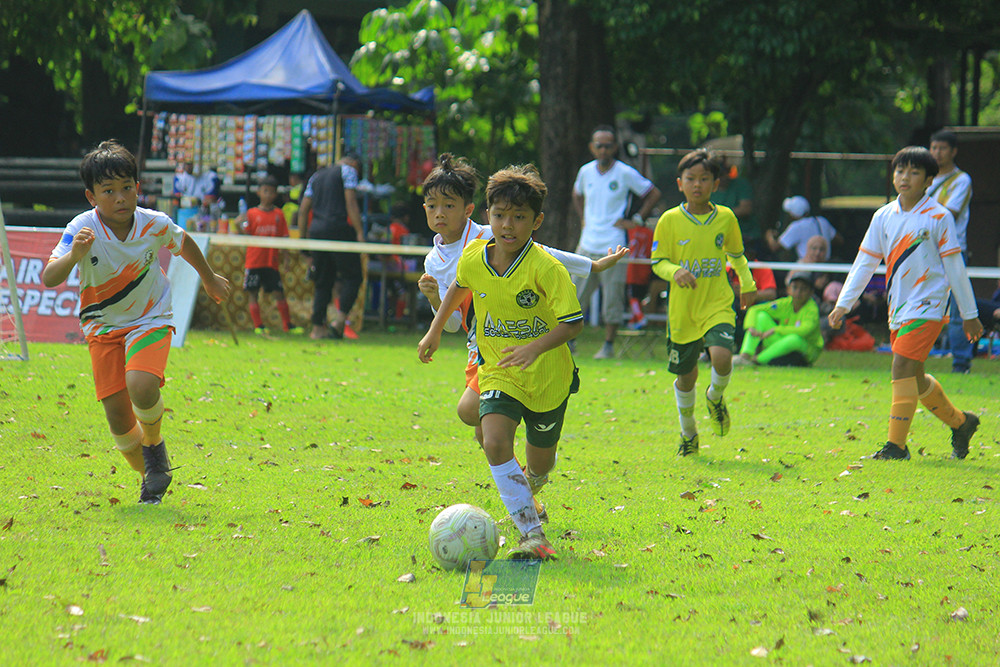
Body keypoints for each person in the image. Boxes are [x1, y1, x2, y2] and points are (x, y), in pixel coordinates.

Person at [417, 154, 626, 521]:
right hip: (484, 346)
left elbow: (547, 254)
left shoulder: (489, 235)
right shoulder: (435, 261)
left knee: (495, 432)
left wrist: (590, 264)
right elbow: (453, 317)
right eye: (432, 205)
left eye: (448, 205)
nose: (439, 213)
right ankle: (528, 516)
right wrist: (435, 309)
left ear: (468, 211)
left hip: (536, 355)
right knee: (481, 423)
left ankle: (527, 480)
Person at [41, 140, 231, 504]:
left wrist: (208, 277)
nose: (120, 197)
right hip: (102, 329)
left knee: (141, 384)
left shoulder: (153, 223)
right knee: (119, 425)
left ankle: (155, 447)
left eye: (127, 187)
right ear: (91, 196)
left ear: (138, 189)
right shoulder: (81, 228)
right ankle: (151, 475)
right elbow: (50, 276)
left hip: (150, 318)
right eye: (108, 191)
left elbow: (183, 241)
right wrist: (75, 255)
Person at [829, 146, 982, 461]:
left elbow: (955, 267)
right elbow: (864, 263)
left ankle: (896, 447)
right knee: (914, 376)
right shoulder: (883, 216)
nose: (905, 177)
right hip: (898, 307)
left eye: (914, 172)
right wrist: (843, 304)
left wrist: (969, 314)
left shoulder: (938, 216)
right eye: (900, 170)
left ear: (928, 180)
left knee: (900, 365)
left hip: (929, 306)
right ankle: (961, 423)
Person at [651, 149, 757, 456]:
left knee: (722, 357)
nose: (697, 184)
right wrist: (676, 271)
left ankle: (715, 396)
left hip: (718, 302)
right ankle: (689, 432)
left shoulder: (725, 217)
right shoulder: (669, 220)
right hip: (683, 311)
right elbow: (658, 262)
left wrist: (747, 284)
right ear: (680, 183)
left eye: (704, 179)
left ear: (715, 183)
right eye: (691, 179)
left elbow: (737, 256)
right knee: (686, 378)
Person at [572, 125, 661, 359]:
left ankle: (608, 346)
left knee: (612, 297)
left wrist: (637, 219)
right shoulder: (585, 172)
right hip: (587, 244)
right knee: (573, 296)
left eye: (608, 145)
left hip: (614, 245)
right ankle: (568, 342)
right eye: (599, 145)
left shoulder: (624, 172)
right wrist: (583, 218)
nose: (603, 149)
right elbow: (576, 194)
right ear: (592, 147)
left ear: (615, 147)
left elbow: (652, 193)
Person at [297, 152, 365, 340]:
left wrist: (303, 240)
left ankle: (317, 328)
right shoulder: (348, 171)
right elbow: (350, 201)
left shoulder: (316, 176)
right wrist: (359, 232)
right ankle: (340, 320)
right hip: (339, 229)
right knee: (353, 275)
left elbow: (303, 210)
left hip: (317, 231)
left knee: (322, 280)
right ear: (353, 164)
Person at [928, 129, 975, 373]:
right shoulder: (922, 177)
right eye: (933, 147)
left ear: (953, 151)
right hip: (925, 251)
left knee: (958, 310)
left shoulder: (961, 180)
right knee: (919, 304)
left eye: (942, 148)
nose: (936, 153)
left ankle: (961, 363)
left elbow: (949, 213)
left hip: (953, 251)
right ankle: (913, 357)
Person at [238, 175, 302, 335]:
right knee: (253, 293)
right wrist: (239, 224)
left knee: (279, 293)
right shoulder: (251, 214)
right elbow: (244, 231)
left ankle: (287, 324)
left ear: (275, 195)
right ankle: (258, 326)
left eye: (271, 192)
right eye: (265, 191)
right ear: (259, 192)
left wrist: (286, 259)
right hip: (254, 261)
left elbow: (284, 239)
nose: (268, 195)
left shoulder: (279, 215)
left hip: (271, 262)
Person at [735, 271, 824, 366]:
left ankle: (757, 360)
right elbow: (754, 310)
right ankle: (745, 355)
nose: (798, 293)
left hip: (807, 349)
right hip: (783, 342)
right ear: (788, 290)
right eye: (795, 287)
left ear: (811, 292)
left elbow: (804, 331)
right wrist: (751, 327)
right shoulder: (785, 303)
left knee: (794, 339)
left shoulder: (812, 309)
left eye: (803, 289)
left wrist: (776, 329)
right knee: (761, 316)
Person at [765, 196, 841, 260]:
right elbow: (839, 240)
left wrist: (769, 235)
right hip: (826, 265)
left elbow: (774, 247)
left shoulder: (797, 226)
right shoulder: (822, 221)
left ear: (792, 215)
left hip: (808, 268)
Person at [711, 155, 758, 252]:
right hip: (716, 238)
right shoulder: (708, 190)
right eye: (717, 175)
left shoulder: (741, 185)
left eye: (723, 174)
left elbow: (746, 209)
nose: (721, 178)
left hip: (745, 236)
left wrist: (717, 214)